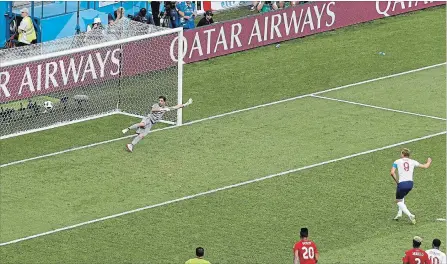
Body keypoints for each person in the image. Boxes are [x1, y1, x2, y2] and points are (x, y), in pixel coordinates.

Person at [122, 96, 191, 152]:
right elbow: (153, 110)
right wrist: (161, 109)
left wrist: (186, 104)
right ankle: (127, 129)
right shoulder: (156, 105)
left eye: (161, 101)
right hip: (148, 119)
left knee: (142, 136)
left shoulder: (166, 108)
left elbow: (176, 107)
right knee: (142, 124)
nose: (160, 102)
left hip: (151, 123)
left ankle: (131, 145)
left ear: (164, 102)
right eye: (159, 100)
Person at [390, 148, 432, 224]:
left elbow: (392, 173)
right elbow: (425, 166)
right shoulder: (413, 162)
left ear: (402, 154)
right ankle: (399, 214)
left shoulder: (397, 161)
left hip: (402, 184)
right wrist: (429, 161)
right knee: (401, 197)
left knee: (398, 201)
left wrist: (397, 182)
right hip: (410, 184)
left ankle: (410, 215)